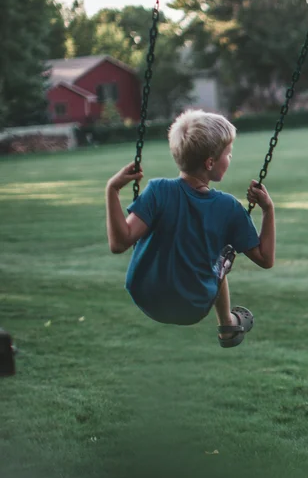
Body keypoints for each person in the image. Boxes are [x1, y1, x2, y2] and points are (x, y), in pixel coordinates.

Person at [103, 110, 276, 347]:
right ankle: (227, 324)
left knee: (203, 253)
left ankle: (227, 324)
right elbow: (266, 259)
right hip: (192, 305)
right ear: (210, 163)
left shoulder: (158, 190)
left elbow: (119, 243)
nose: (230, 158)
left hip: (146, 294)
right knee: (221, 259)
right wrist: (268, 210)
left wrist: (112, 189)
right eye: (228, 153)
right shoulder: (228, 208)